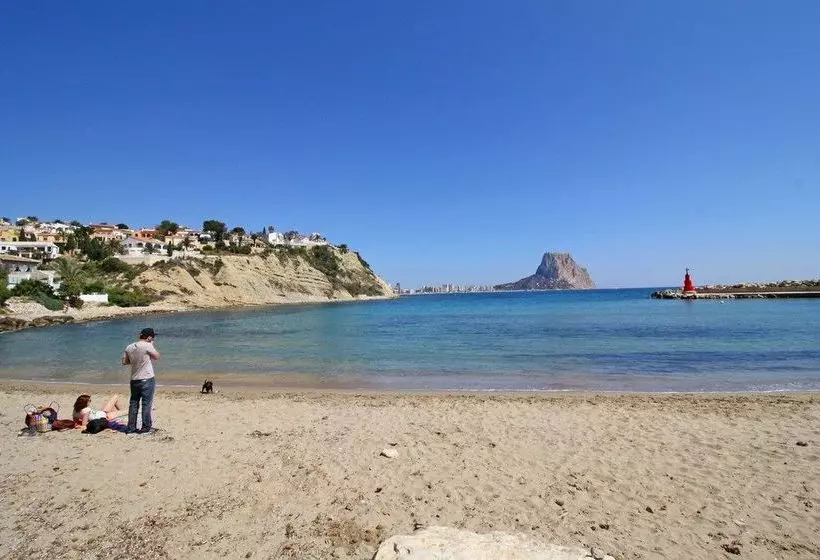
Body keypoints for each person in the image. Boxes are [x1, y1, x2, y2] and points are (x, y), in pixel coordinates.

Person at [122, 327, 160, 433]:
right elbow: (157, 357)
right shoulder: (148, 345)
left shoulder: (129, 346)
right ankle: (146, 427)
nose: (154, 339)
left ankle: (131, 427)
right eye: (153, 337)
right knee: (146, 404)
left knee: (133, 403)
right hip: (147, 378)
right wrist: (151, 345)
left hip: (134, 379)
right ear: (148, 337)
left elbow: (125, 361)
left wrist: (137, 360)